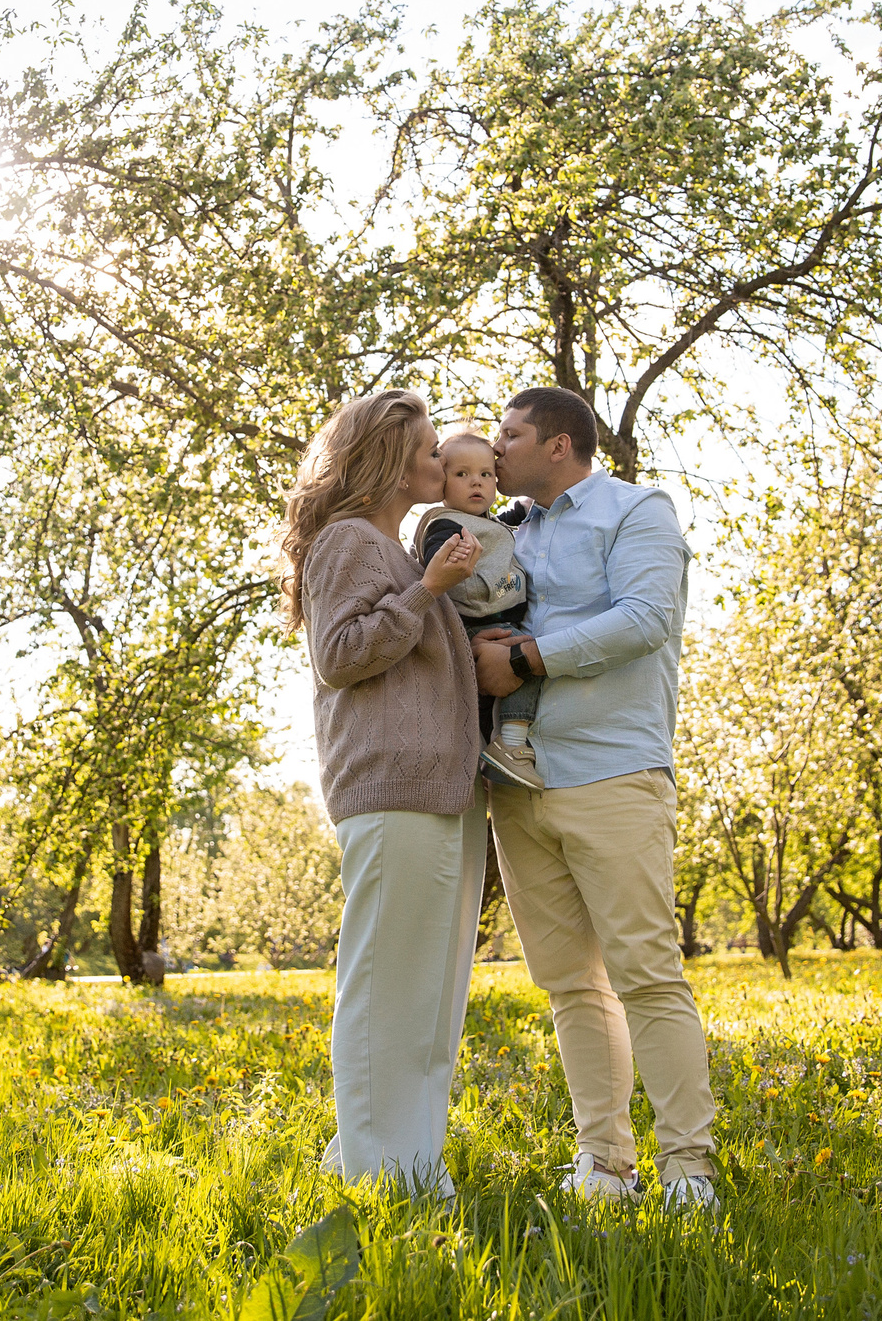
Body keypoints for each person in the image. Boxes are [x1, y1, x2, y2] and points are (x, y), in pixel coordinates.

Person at [471, 385, 718, 1209]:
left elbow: (646, 618)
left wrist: (528, 658)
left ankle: (688, 1168)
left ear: (559, 444)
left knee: (646, 972)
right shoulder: (503, 530)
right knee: (571, 984)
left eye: (509, 434)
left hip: (613, 772)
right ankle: (605, 1163)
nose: (494, 448)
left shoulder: (636, 510)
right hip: (518, 782)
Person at [280, 388, 487, 1193]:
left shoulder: (397, 549)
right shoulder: (348, 540)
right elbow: (340, 654)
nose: (445, 460)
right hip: (390, 786)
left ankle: (407, 1165)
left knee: (428, 1002)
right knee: (387, 991)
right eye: (432, 450)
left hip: (437, 789)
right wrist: (428, 589)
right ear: (394, 463)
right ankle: (380, 1177)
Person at [413, 430, 548, 790]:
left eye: (486, 474)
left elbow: (515, 514)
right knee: (525, 658)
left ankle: (488, 755)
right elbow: (436, 554)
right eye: (462, 474)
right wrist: (449, 556)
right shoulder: (444, 523)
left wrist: (533, 496)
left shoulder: (491, 523)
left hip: (497, 616)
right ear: (442, 481)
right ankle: (512, 743)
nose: (476, 481)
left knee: (489, 703)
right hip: (477, 622)